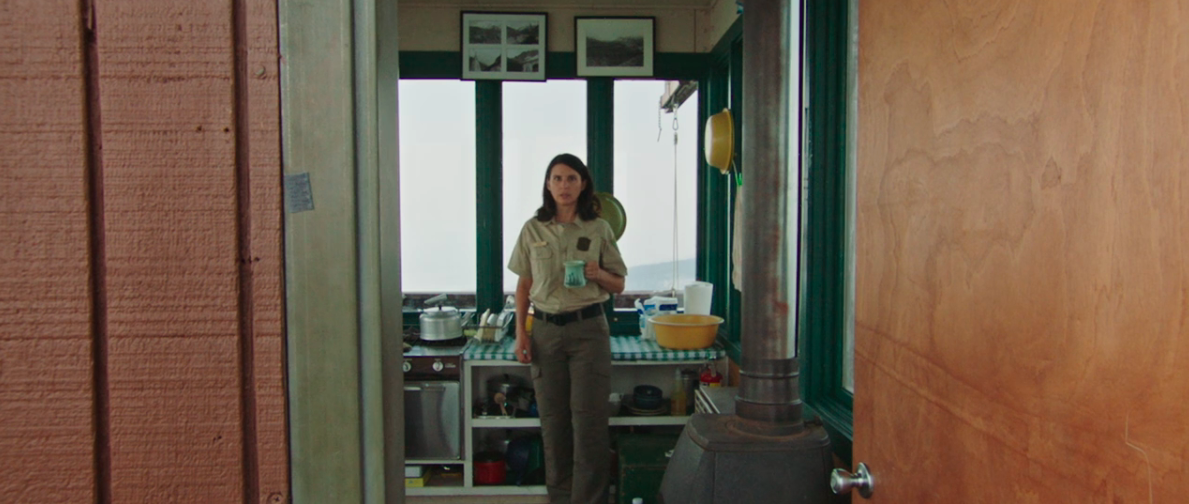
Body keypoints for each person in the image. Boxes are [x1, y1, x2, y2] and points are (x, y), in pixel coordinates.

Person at [507, 153, 627, 504]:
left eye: (571, 178)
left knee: (589, 424)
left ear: (583, 184)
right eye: (557, 178)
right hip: (545, 331)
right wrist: (521, 333)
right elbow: (523, 286)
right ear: (548, 185)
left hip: (588, 329)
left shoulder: (599, 228)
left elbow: (619, 284)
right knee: (553, 423)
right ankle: (561, 498)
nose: (564, 185)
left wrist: (598, 273)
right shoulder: (532, 229)